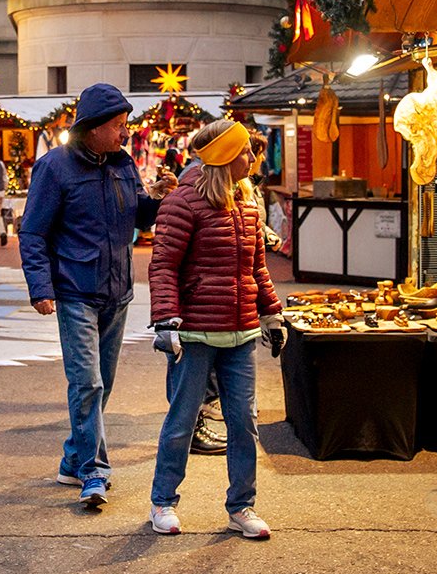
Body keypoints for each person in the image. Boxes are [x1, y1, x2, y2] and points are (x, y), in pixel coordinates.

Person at [19, 83, 177, 510]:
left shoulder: (122, 163)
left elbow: (139, 214)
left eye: (126, 125)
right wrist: (41, 287)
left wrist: (161, 198)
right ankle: (94, 472)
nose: (125, 134)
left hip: (117, 292)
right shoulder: (54, 167)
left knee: (100, 385)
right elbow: (33, 231)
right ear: (93, 127)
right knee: (86, 382)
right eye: (119, 126)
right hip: (75, 292)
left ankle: (73, 460)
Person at [146, 120, 284, 538]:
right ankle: (163, 501)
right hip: (195, 333)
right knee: (182, 419)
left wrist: (271, 312)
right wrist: (166, 320)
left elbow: (256, 268)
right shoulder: (182, 203)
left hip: (240, 333)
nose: (253, 158)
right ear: (225, 158)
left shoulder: (248, 205)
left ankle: (242, 506)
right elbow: (164, 265)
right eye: (245, 152)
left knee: (243, 421)